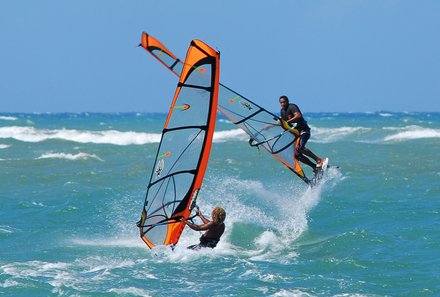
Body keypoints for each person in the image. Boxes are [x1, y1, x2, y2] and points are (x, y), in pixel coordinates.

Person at [279, 95, 324, 173]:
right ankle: (314, 167)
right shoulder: (282, 111)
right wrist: (267, 127)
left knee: (300, 147)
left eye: (284, 102)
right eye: (281, 102)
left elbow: (298, 115)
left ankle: (319, 160)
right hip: (297, 135)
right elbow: (281, 122)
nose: (282, 104)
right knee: (297, 155)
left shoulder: (292, 107)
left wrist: (288, 122)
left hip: (304, 131)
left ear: (287, 101)